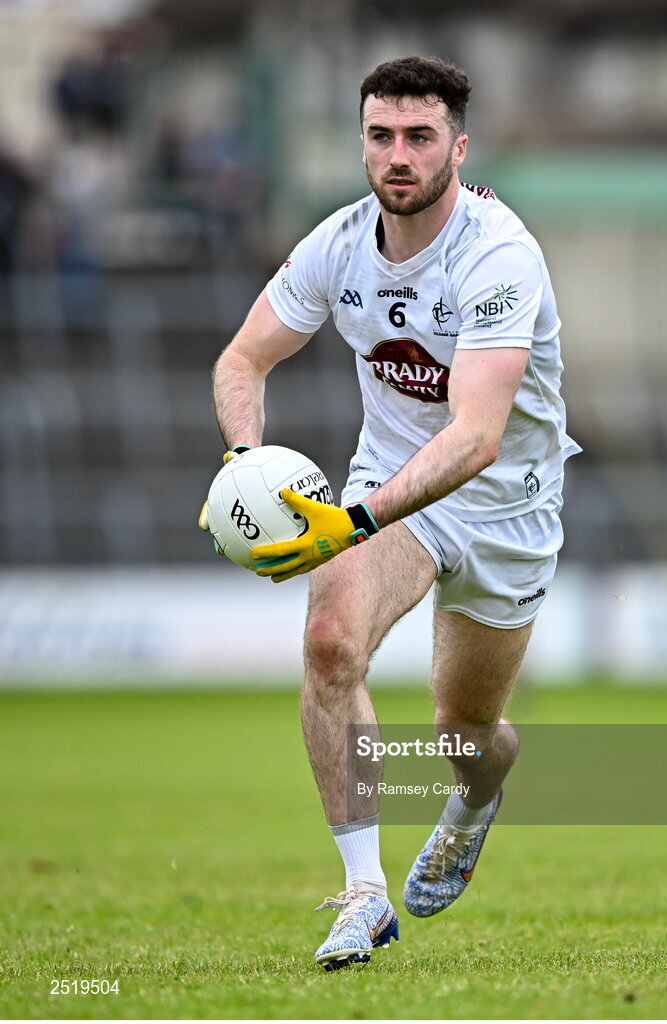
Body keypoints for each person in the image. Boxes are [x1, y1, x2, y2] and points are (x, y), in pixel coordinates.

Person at [201, 55, 580, 970]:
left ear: (458, 145)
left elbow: (475, 437)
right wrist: (247, 466)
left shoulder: (497, 254)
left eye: (418, 137)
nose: (397, 155)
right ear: (361, 143)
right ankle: (362, 896)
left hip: (503, 505)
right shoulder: (336, 244)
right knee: (332, 643)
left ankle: (479, 793)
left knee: (464, 733)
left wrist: (352, 521)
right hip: (393, 485)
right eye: (380, 136)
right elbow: (240, 361)